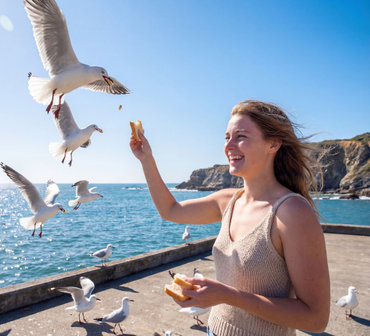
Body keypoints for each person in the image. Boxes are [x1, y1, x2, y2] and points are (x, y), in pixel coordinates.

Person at [130, 100, 330, 335]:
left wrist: (227, 295)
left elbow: (316, 319)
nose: (229, 146)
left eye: (240, 136)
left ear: (274, 144)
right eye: (227, 138)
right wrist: (146, 159)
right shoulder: (228, 201)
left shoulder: (293, 213)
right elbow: (170, 210)